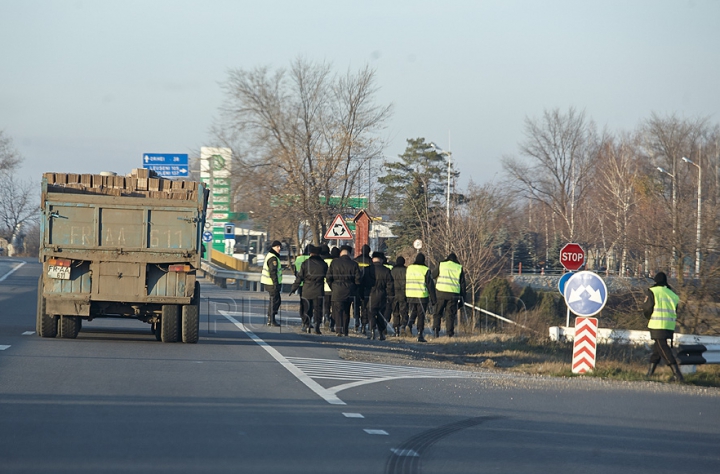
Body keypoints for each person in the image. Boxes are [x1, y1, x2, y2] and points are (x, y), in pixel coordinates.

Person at [643, 271, 683, 382]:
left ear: (656, 281)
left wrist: (648, 317)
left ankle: (677, 375)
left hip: (657, 324)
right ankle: (649, 374)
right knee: (657, 349)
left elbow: (647, 308)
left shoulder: (653, 291)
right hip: (669, 325)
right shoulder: (672, 294)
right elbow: (675, 310)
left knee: (662, 348)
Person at [289, 245, 328, 335]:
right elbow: (328, 277)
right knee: (318, 309)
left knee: (306, 308)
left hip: (307, 289)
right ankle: (317, 326)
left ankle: (306, 325)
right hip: (319, 289)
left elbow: (300, 277)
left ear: (311, 253)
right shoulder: (323, 264)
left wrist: (294, 288)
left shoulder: (306, 263)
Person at [325, 245, 361, 336]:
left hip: (336, 289)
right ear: (349, 254)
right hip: (349, 290)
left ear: (341, 253)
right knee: (346, 311)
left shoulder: (334, 263)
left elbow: (328, 277)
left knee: (337, 311)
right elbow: (358, 280)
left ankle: (338, 330)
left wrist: (333, 287)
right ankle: (345, 331)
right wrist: (354, 289)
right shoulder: (354, 264)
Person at [432, 253, 467, 338]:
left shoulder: (441, 264)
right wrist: (463, 299)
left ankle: (436, 331)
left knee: (437, 313)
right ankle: (449, 333)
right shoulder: (459, 267)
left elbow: (432, 275)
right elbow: (463, 284)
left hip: (440, 292)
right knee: (450, 315)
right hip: (453, 294)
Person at [405, 253, 436, 342]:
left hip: (410, 293)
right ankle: (420, 334)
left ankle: (409, 324)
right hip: (421, 295)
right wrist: (434, 299)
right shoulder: (425, 269)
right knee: (421, 315)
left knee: (414, 311)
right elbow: (430, 285)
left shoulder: (409, 268)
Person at [367, 251, 394, 340]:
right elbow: (390, 285)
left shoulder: (367, 269)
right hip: (382, 294)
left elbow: (362, 283)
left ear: (372, 259)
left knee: (371, 313)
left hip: (370, 294)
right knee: (380, 314)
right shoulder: (386, 270)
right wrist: (390, 297)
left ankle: (372, 331)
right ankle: (381, 333)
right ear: (381, 260)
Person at [353, 244, 375, 334]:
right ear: (369, 251)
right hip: (366, 287)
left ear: (361, 251)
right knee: (365, 307)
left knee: (356, 305)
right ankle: (363, 324)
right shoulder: (371, 261)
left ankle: (356, 320)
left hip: (356, 286)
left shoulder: (356, 260)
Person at [261, 240, 283, 327]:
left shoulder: (272, 256)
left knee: (274, 300)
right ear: (273, 247)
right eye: (277, 247)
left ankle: (270, 318)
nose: (279, 248)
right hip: (271, 283)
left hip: (270, 283)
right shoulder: (273, 258)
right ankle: (272, 319)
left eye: (280, 247)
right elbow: (272, 272)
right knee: (275, 301)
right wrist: (276, 284)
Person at [294, 245, 311, 330]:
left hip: (300, 284)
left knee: (302, 303)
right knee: (310, 303)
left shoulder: (298, 259)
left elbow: (295, 272)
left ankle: (303, 318)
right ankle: (308, 320)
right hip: (308, 284)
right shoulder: (310, 260)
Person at [320, 244, 336, 330]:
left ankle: (326, 315)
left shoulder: (321, 261)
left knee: (325, 304)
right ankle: (332, 323)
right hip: (333, 287)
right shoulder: (334, 261)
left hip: (323, 286)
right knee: (333, 305)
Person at [390, 256, 408, 336]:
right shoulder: (406, 270)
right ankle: (403, 326)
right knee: (404, 311)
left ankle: (396, 329)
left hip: (394, 293)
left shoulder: (392, 270)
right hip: (404, 293)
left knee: (395, 312)